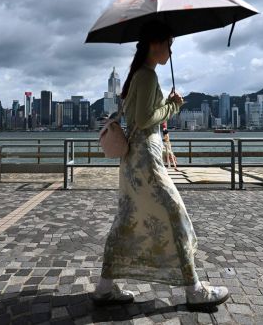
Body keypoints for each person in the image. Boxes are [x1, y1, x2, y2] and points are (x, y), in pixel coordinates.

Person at [91, 20, 229, 310]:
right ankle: (194, 290)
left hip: (134, 162)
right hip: (146, 161)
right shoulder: (148, 76)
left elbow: (141, 114)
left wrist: (165, 106)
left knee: (128, 219)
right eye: (169, 44)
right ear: (155, 44)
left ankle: (104, 287)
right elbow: (143, 120)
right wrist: (173, 106)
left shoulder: (138, 76)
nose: (170, 51)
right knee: (174, 214)